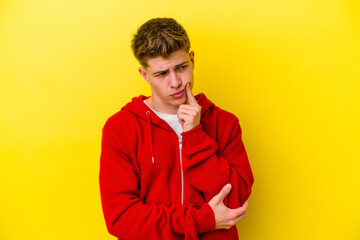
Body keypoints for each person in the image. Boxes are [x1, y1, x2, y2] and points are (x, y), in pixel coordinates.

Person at [99, 17, 254, 240]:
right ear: (145, 75)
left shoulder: (224, 123)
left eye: (181, 68)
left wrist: (195, 136)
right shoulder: (121, 128)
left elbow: (235, 202)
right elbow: (121, 218)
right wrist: (204, 220)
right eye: (162, 74)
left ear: (192, 60)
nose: (175, 82)